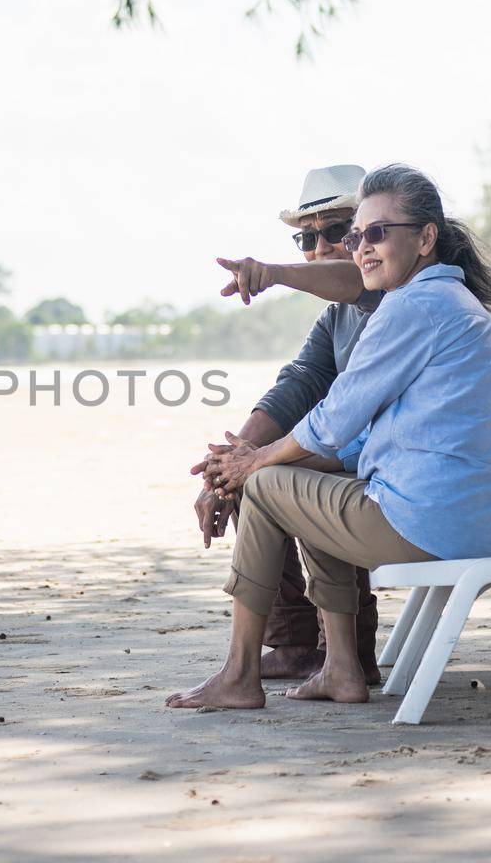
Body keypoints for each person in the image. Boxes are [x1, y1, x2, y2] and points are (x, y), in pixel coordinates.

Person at [169, 163, 491, 709]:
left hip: (430, 523)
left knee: (267, 485)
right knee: (287, 475)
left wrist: (254, 466)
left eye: (365, 233)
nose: (355, 249)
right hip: (471, 520)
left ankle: (241, 672)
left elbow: (332, 420)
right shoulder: (437, 300)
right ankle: (338, 666)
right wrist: (244, 459)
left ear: (426, 238)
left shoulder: (408, 305)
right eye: (352, 236)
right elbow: (307, 392)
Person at [194, 163, 386, 683]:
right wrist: (231, 460)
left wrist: (274, 272)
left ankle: (349, 650)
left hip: (391, 475)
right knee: (246, 471)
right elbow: (297, 383)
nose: (321, 247)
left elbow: (351, 279)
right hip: (360, 462)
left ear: (371, 233)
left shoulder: (389, 290)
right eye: (308, 238)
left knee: (282, 473)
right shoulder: (336, 317)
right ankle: (299, 642)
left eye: (336, 232)